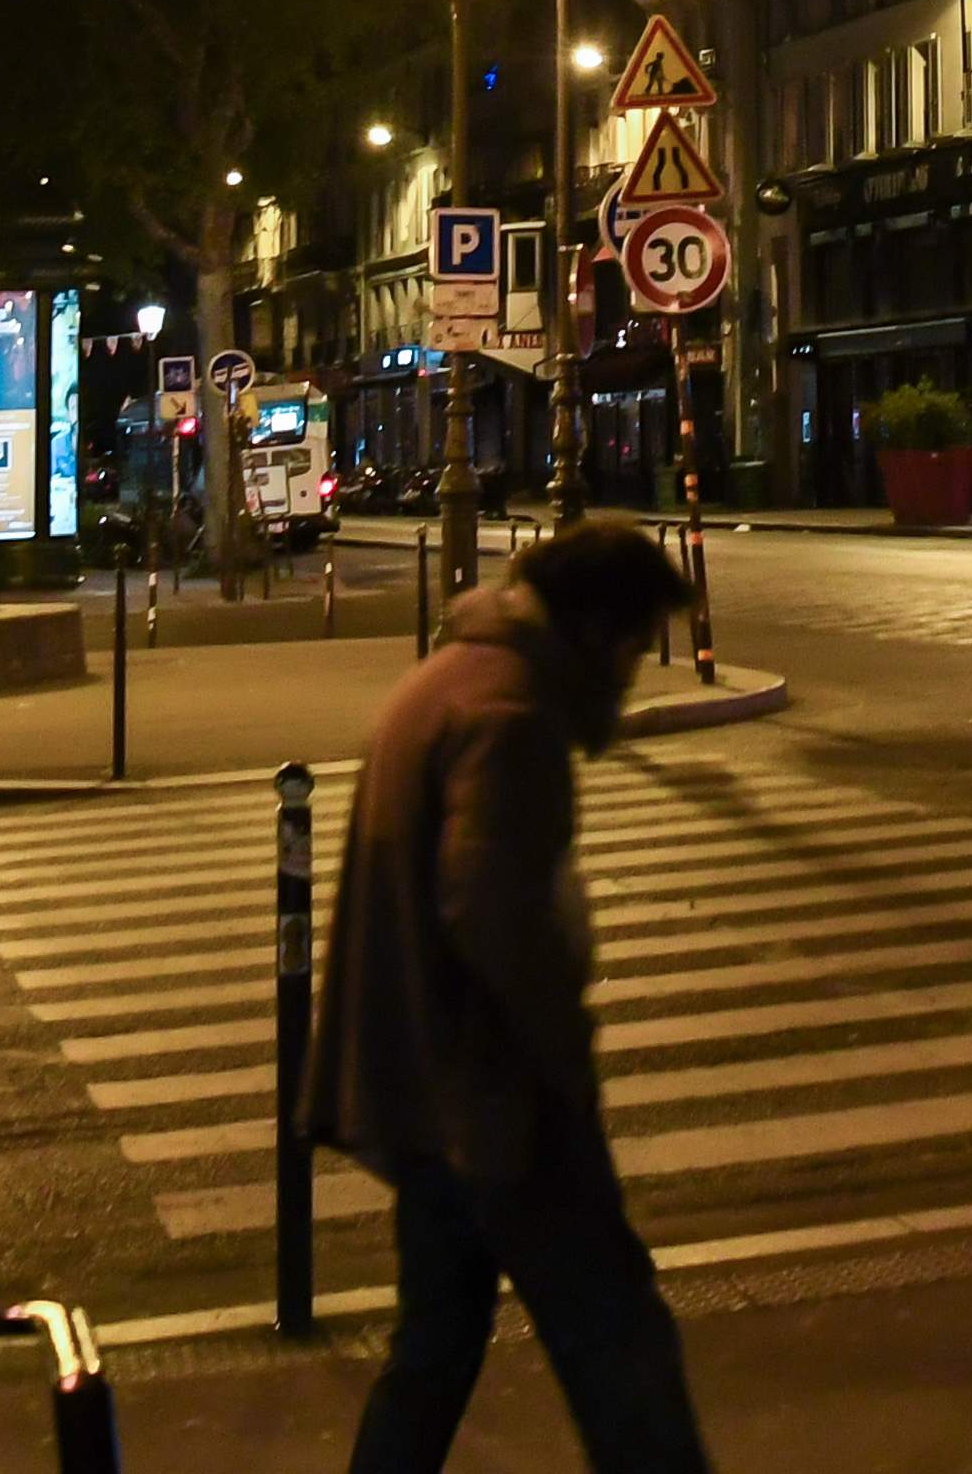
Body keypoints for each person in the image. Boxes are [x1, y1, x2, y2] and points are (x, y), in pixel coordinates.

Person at [311, 519, 713, 1474]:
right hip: (495, 1101)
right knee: (619, 1340)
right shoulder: (511, 712)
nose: (630, 676)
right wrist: (564, 1066)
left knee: (434, 1348)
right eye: (634, 647)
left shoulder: (453, 677)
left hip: (425, 1093)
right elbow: (493, 909)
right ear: (597, 630)